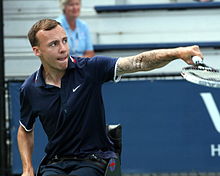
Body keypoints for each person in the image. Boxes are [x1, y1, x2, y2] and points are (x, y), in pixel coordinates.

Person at [17, 18, 203, 176]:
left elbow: (138, 62)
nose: (63, 48)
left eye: (65, 41)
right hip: (55, 163)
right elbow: (25, 130)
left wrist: (178, 52)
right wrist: (27, 168)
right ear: (37, 51)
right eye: (53, 44)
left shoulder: (89, 69)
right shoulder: (29, 88)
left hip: (94, 159)